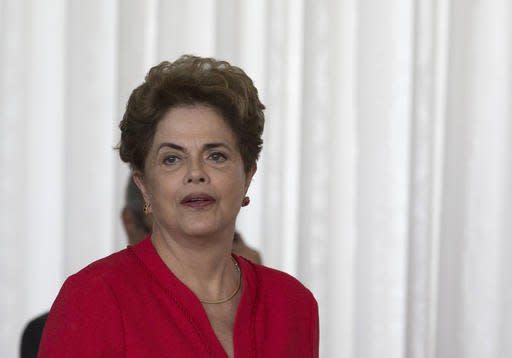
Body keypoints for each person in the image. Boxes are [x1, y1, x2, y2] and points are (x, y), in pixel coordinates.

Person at [39, 55, 319, 357]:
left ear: (248, 175)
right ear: (144, 183)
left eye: (216, 156)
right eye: (172, 159)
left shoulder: (293, 304)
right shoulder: (94, 299)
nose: (196, 173)